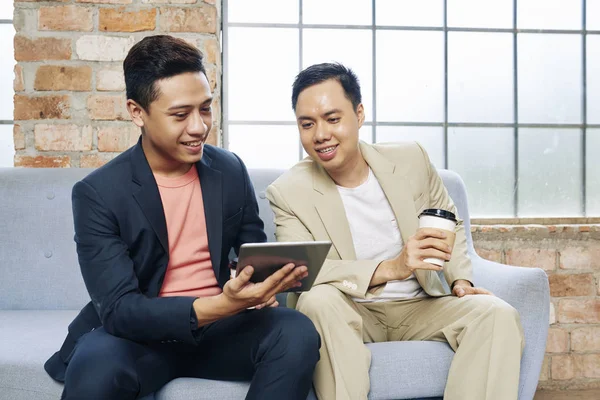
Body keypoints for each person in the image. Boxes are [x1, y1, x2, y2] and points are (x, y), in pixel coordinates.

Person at [44, 35, 320, 400]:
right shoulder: (98, 193)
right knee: (96, 365)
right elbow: (120, 311)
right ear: (136, 112)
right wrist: (220, 305)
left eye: (205, 109)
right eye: (180, 114)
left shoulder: (230, 168)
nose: (199, 127)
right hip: (140, 338)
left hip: (224, 329)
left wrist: (260, 286)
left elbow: (251, 249)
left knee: (296, 331)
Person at [266, 62, 524, 400]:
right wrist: (392, 268)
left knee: (497, 315)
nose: (320, 135)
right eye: (307, 124)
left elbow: (450, 222)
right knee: (316, 300)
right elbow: (303, 270)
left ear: (359, 114)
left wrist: (461, 281)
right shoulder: (287, 191)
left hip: (420, 305)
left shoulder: (411, 159)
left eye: (332, 119)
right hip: (350, 308)